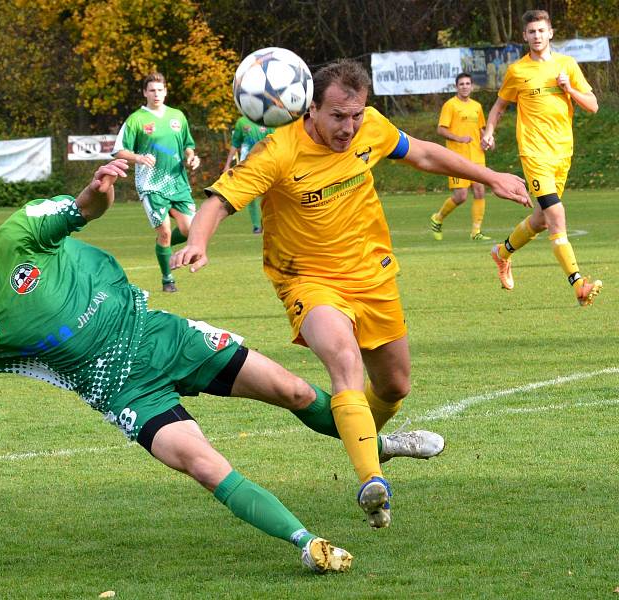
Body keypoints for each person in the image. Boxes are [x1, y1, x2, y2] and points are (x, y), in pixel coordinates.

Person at [0, 159, 443, 572]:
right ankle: (307, 545)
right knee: (204, 464)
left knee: (290, 389)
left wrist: (100, 186)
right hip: (121, 389)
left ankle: (377, 446)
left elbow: (85, 208)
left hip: (160, 334)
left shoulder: (18, 231)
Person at [171, 59, 531, 529]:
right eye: (338, 116)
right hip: (307, 278)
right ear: (311, 109)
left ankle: (373, 442)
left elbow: (422, 153)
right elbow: (219, 202)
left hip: (372, 275)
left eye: (356, 114)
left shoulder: (371, 129)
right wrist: (197, 242)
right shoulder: (277, 152)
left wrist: (492, 177)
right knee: (344, 361)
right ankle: (372, 483)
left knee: (394, 386)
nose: (349, 126)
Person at [481, 9, 602, 306]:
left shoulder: (567, 65)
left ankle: (502, 252)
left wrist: (568, 88)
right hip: (534, 153)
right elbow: (498, 107)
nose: (536, 36)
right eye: (531, 32)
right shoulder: (518, 72)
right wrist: (489, 132)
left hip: (562, 153)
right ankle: (578, 284)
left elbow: (593, 106)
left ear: (550, 33)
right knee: (557, 215)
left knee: (541, 220)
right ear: (524, 36)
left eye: (541, 31)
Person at [113, 72, 200, 293]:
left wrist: (191, 156)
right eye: (151, 90)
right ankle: (167, 279)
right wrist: (138, 158)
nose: (156, 94)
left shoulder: (177, 116)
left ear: (166, 91)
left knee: (191, 230)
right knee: (165, 231)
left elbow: (188, 145)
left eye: (160, 90)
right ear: (145, 93)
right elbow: (119, 151)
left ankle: (163, 248)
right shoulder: (136, 119)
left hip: (178, 182)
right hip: (151, 184)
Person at [430, 73, 491, 241]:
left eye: (467, 83)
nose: (465, 86)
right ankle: (438, 218)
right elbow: (441, 130)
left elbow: (481, 130)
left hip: (477, 155)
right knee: (461, 196)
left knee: (480, 191)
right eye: (461, 84)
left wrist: (487, 139)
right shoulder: (450, 105)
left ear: (472, 86)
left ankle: (476, 232)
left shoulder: (477, 106)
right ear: (456, 87)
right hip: (457, 156)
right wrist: (459, 138)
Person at [222, 116, 274, 234]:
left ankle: (266, 223)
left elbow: (276, 141)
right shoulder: (241, 122)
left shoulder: (268, 120)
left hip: (266, 163)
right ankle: (256, 225)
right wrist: (227, 164)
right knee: (250, 196)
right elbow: (235, 144)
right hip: (247, 164)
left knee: (270, 195)